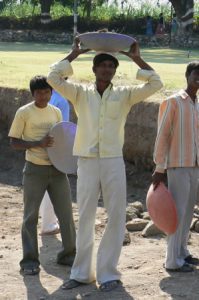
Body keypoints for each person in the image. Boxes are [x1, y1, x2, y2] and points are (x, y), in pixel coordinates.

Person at [47, 38, 163, 291]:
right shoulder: (79, 93)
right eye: (103, 65)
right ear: (95, 69)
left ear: (114, 70)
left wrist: (136, 58)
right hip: (87, 161)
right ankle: (81, 273)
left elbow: (157, 83)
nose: (107, 69)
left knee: (116, 216)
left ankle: (108, 273)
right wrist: (74, 54)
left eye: (111, 66)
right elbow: (53, 77)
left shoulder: (124, 95)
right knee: (86, 215)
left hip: (112, 161)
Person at [8, 75, 76, 275]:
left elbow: (62, 138)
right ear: (32, 93)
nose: (43, 96)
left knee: (66, 215)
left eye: (47, 92)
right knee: (30, 217)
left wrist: (69, 162)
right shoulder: (24, 113)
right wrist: (38, 143)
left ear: (51, 92)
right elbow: (13, 142)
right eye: (39, 93)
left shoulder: (55, 112)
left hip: (57, 170)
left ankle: (68, 255)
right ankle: (29, 262)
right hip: (34, 169)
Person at [153, 61, 199, 272]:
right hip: (177, 164)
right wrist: (159, 167)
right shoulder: (173, 102)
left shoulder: (197, 103)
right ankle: (172, 261)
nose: (198, 79)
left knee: (188, 212)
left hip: (194, 164)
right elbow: (162, 135)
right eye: (195, 74)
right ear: (187, 75)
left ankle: (182, 252)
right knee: (177, 213)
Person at [39, 89, 70, 235]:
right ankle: (49, 224)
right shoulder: (62, 101)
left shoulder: (41, 97)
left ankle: (46, 222)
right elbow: (62, 129)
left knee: (41, 185)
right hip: (54, 148)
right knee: (53, 187)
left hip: (38, 147)